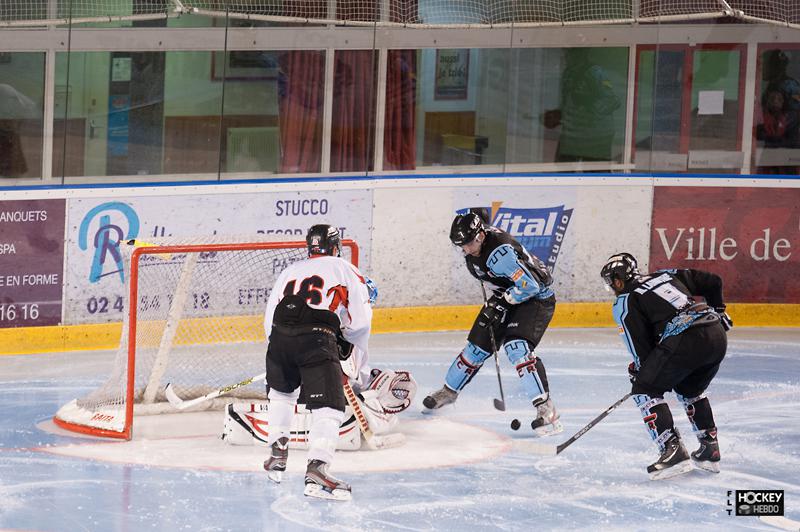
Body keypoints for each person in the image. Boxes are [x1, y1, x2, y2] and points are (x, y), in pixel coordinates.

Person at [423, 211, 561, 436]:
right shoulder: (476, 245)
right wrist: (497, 302)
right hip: (508, 293)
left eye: (466, 244)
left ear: (479, 236)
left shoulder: (500, 253)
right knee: (476, 347)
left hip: (535, 299)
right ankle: (449, 392)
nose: (464, 249)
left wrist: (504, 302)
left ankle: (546, 408)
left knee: (517, 348)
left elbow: (531, 286)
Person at [261, 224, 372, 501]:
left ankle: (277, 453)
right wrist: (353, 357)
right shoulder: (345, 269)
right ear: (335, 247)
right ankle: (317, 469)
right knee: (330, 407)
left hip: (279, 338)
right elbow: (360, 321)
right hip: (317, 340)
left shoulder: (289, 271)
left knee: (281, 394)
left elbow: (268, 320)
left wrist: (282, 348)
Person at [600, 253, 732, 480]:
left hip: (686, 341)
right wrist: (720, 311)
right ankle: (710, 449)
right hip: (715, 334)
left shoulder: (626, 300)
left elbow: (641, 349)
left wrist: (641, 373)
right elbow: (713, 281)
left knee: (645, 389)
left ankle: (673, 451)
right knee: (690, 389)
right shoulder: (665, 275)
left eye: (611, 283)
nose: (612, 288)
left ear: (618, 280)